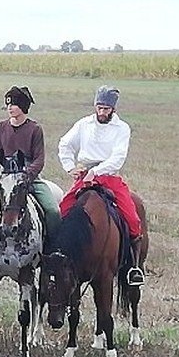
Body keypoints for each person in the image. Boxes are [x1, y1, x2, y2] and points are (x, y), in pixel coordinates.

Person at [57, 85, 143, 285]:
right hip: (84, 175)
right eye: (99, 107)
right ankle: (57, 258)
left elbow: (118, 157)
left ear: (113, 109)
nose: (102, 112)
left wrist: (96, 172)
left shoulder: (122, 128)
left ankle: (133, 267)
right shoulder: (84, 124)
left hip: (109, 177)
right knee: (61, 212)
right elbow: (65, 144)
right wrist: (70, 167)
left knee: (132, 218)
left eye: (106, 108)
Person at [0, 86, 61, 248]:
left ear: (23, 107)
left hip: (29, 179)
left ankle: (52, 250)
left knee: (53, 211)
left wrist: (26, 175)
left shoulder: (35, 129)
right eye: (8, 104)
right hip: (5, 179)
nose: (9, 107)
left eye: (14, 104)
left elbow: (39, 159)